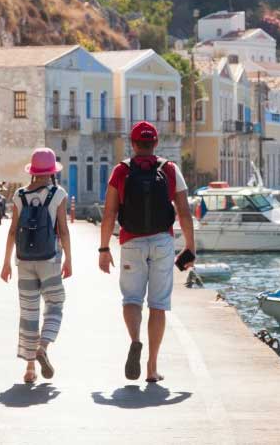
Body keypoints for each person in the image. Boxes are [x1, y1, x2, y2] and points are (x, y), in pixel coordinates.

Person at [99, 121, 195, 384]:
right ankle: (152, 368)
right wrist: (190, 248)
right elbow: (184, 212)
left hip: (131, 243)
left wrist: (104, 248)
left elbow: (109, 213)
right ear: (155, 143)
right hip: (162, 243)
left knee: (131, 299)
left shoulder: (121, 170)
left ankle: (135, 340)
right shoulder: (170, 169)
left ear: (133, 144)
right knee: (158, 305)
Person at [0, 148, 72, 384]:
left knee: (28, 313)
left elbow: (12, 231)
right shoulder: (57, 193)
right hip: (50, 260)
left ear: (32, 171)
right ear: (51, 172)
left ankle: (30, 369)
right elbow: (63, 230)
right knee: (55, 304)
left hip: (23, 260)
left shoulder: (19, 195)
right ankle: (43, 346)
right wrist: (69, 259)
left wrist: (6, 264)